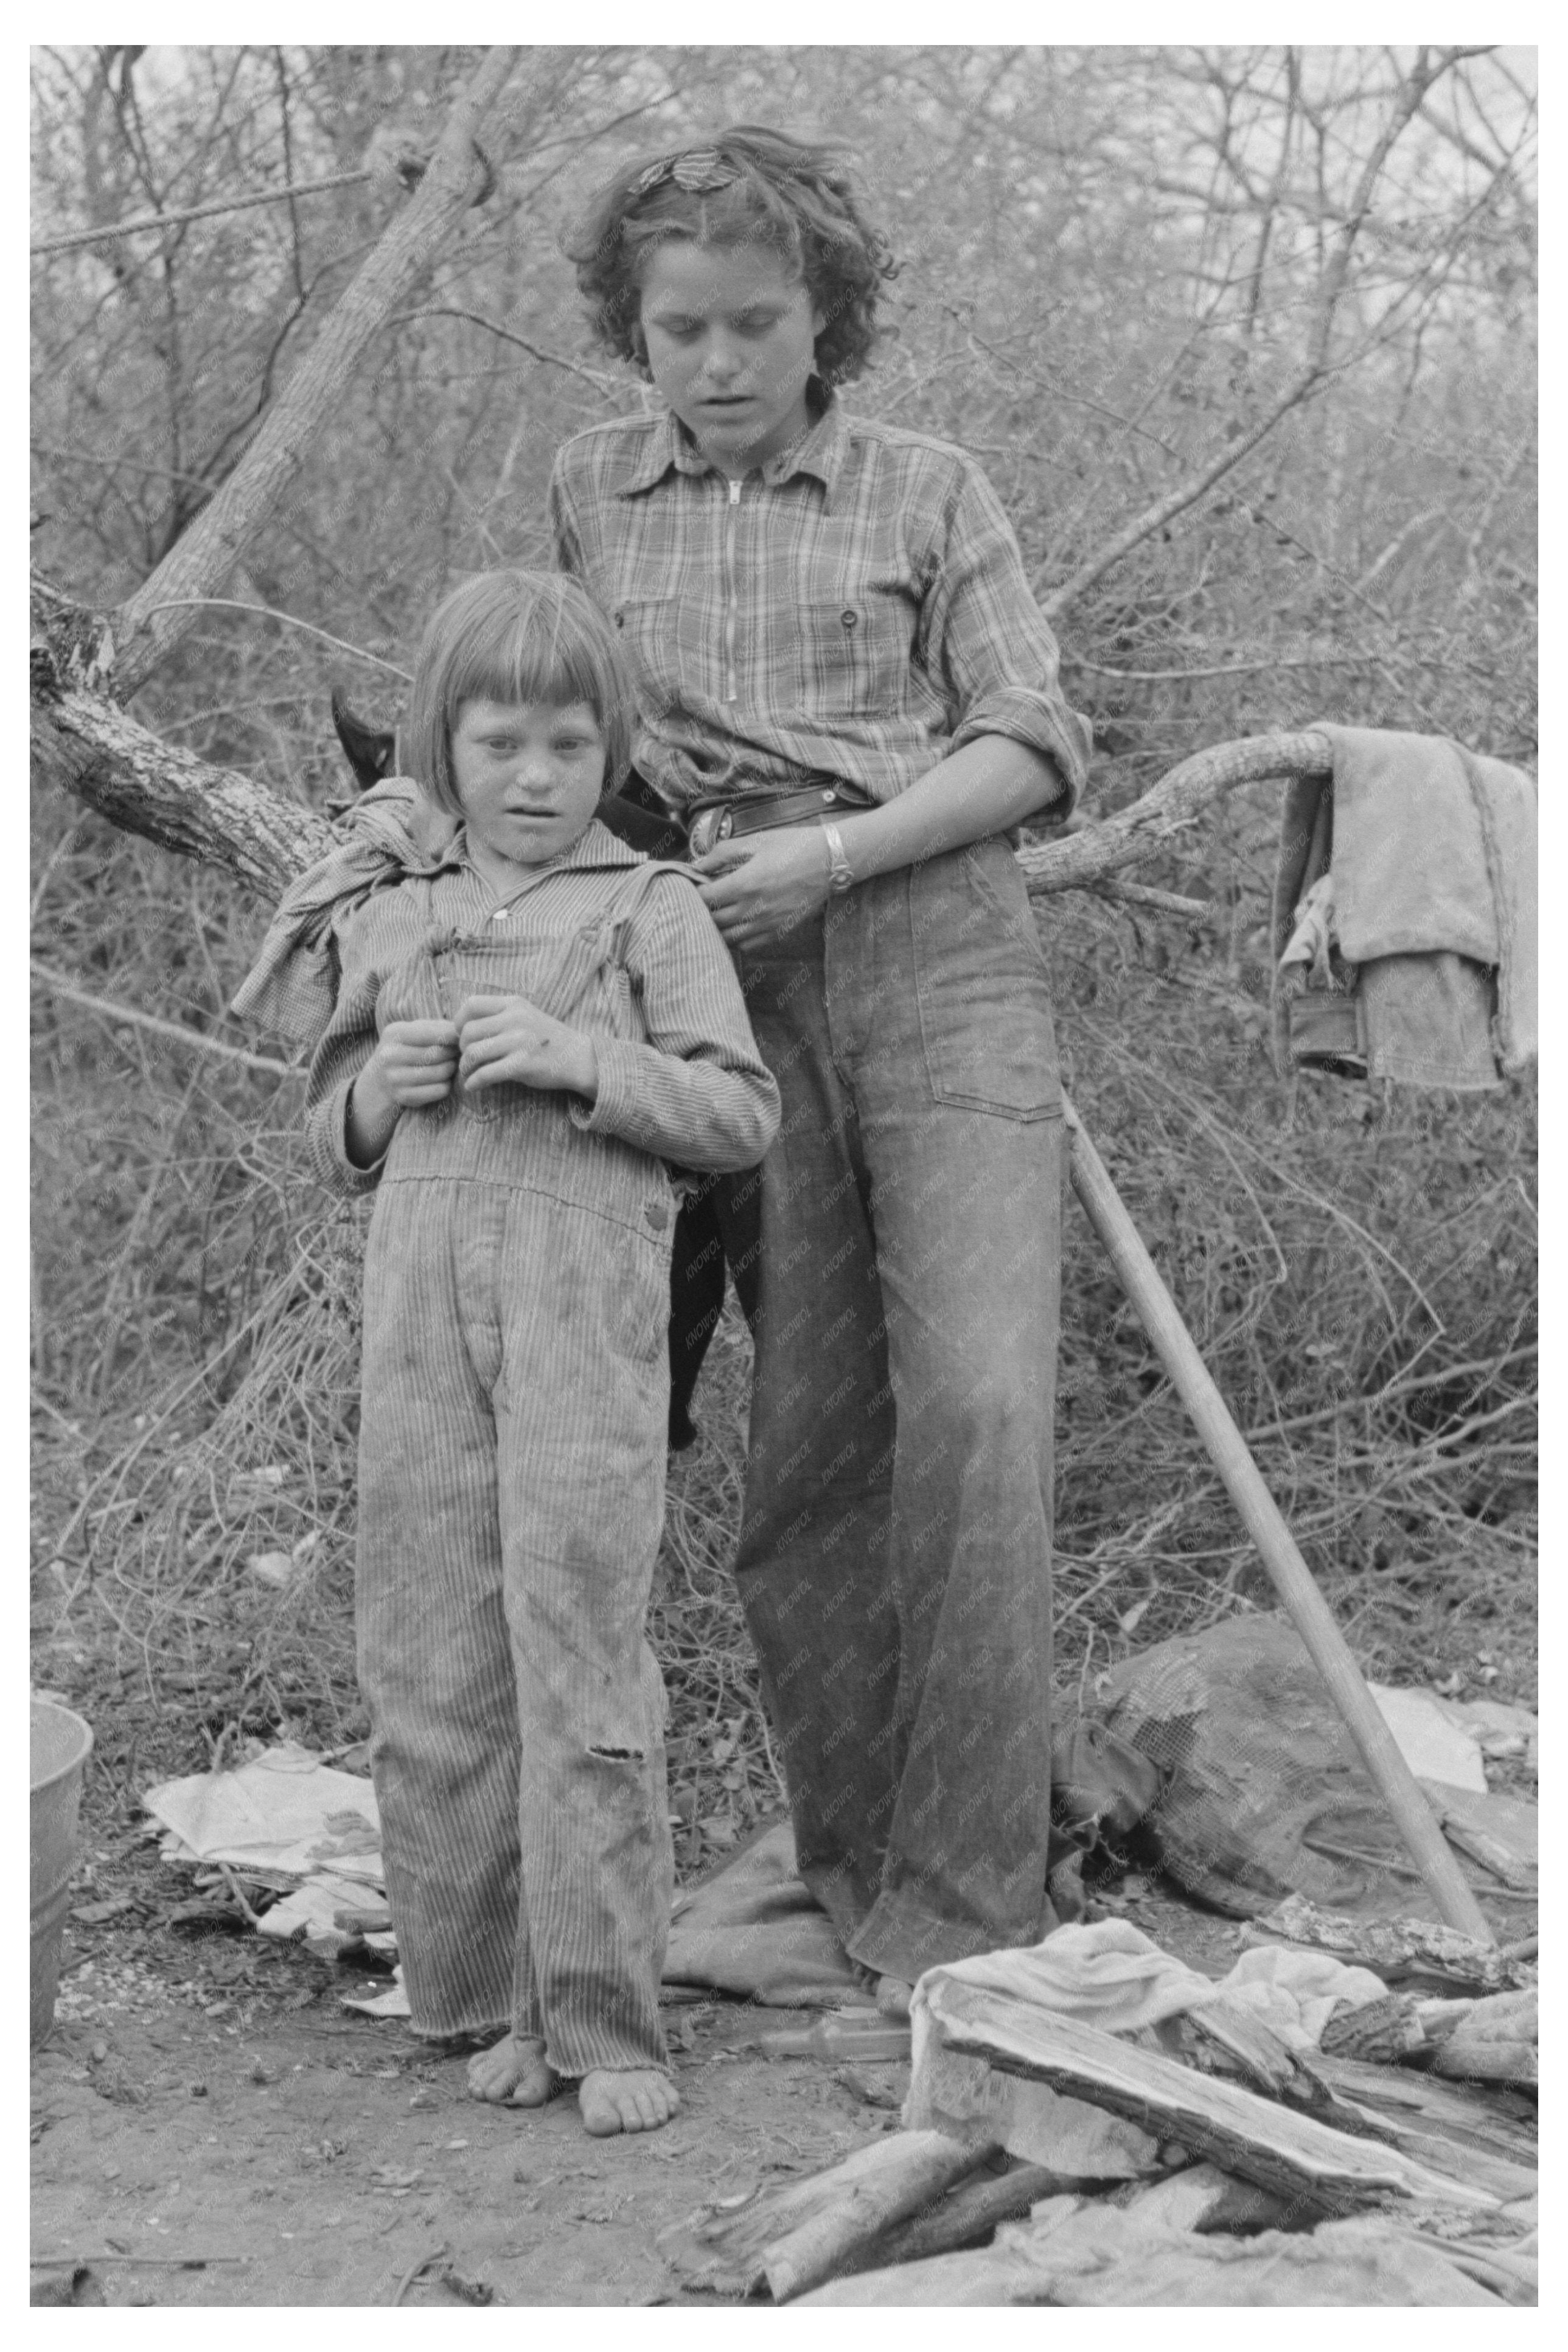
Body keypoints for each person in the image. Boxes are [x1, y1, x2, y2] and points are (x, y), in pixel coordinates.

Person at [551, 128, 1096, 2017]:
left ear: (824, 321)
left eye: (753, 325)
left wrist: (838, 853)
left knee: (980, 1412)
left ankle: (968, 1914)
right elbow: (547, 727)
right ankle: (851, 1868)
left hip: (933, 940)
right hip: (718, 971)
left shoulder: (922, 487)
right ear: (631, 328)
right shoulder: (589, 492)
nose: (712, 364)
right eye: (675, 328)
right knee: (811, 1449)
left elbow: (1030, 740)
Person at [235, 571, 780, 2133]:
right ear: (443, 748)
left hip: (579, 1323)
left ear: (610, 751)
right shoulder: (392, 912)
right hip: (417, 1324)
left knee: (575, 1651)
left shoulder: (650, 908)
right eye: (498, 745)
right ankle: (484, 1994)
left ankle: (604, 2020)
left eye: (564, 744)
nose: (532, 778)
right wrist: (381, 1090)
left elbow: (740, 1114)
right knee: (432, 1652)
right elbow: (330, 1129)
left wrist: (580, 1059)